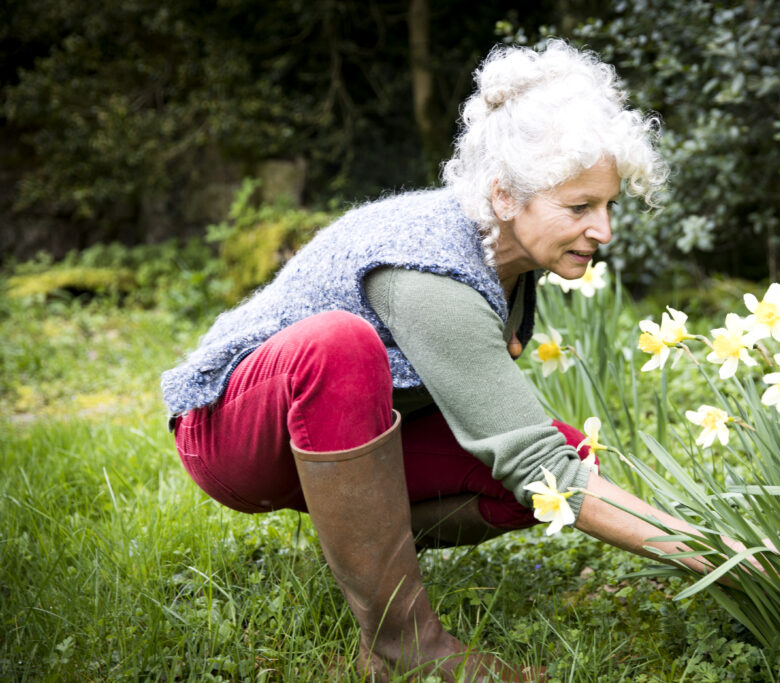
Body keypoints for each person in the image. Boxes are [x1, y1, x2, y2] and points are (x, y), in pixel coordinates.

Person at [162, 40, 742, 682]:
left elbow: (540, 464)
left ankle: (359, 552)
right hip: (231, 431)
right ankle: (403, 651)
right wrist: (726, 557)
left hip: (341, 438)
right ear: (502, 197)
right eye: (579, 208)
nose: (603, 229)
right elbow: (533, 461)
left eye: (607, 205)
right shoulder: (431, 268)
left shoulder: (512, 258)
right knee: (342, 344)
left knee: (568, 460)